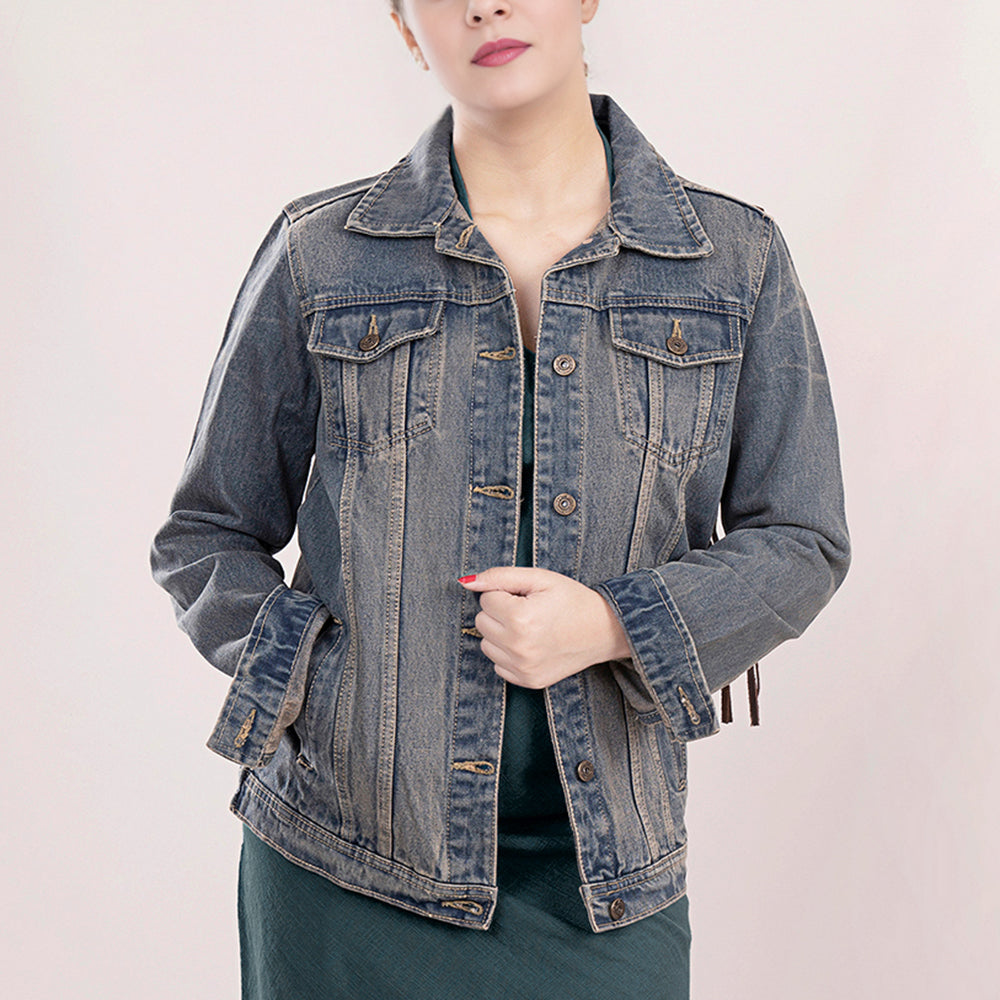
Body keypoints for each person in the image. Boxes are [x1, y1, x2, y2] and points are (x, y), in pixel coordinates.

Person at [150, 1, 850, 996]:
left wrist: (615, 623)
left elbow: (802, 537)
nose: (484, 4)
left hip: (605, 879)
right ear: (405, 27)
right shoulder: (321, 251)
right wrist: (318, 679)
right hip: (340, 858)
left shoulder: (734, 260)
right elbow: (206, 532)